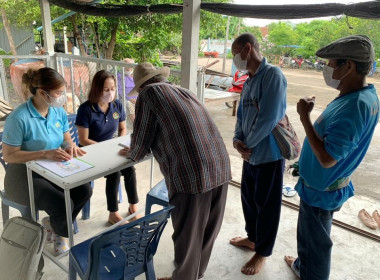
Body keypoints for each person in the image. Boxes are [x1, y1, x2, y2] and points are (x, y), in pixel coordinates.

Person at [285, 35, 379, 280]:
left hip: (322, 190)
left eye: (331, 64)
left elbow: (328, 158)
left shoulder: (354, 106)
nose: (326, 69)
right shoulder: (359, 96)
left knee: (316, 244)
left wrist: (304, 117)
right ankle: (303, 265)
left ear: (348, 66)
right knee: (309, 236)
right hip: (320, 186)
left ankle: (311, 272)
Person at [125, 62, 231, 280]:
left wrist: (132, 152)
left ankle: (184, 277)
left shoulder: (148, 94)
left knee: (187, 235)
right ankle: (195, 273)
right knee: (208, 230)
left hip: (191, 174)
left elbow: (141, 140)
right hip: (220, 166)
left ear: (142, 85)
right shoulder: (183, 91)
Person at [2, 67, 93, 254]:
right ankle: (61, 234)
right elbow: (9, 155)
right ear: (43, 93)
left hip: (52, 169)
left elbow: (65, 138)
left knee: (84, 190)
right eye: (59, 93)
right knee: (60, 201)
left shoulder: (57, 111)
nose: (62, 97)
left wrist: (69, 146)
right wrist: (44, 153)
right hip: (22, 175)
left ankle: (53, 224)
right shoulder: (19, 118)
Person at [229, 33, 287, 275]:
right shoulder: (249, 79)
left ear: (247, 49)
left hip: (268, 155)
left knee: (267, 205)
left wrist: (248, 145)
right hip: (250, 154)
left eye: (235, 53)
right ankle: (253, 238)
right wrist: (237, 141)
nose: (234, 59)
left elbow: (269, 117)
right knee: (249, 199)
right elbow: (242, 115)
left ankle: (262, 252)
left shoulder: (272, 75)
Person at [75, 70, 140, 225]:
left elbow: (122, 129)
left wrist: (121, 143)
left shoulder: (116, 105)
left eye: (112, 89)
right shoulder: (86, 109)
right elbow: (83, 140)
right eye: (106, 89)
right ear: (97, 89)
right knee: (114, 172)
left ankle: (133, 206)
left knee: (129, 167)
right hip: (89, 151)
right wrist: (106, 148)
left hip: (111, 148)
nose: (110, 93)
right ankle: (113, 213)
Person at [117, 58, 137, 122]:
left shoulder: (135, 76)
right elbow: (120, 91)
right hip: (126, 99)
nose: (128, 69)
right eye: (126, 66)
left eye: (130, 67)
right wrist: (130, 99)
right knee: (129, 104)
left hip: (136, 98)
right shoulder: (119, 76)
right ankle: (136, 125)